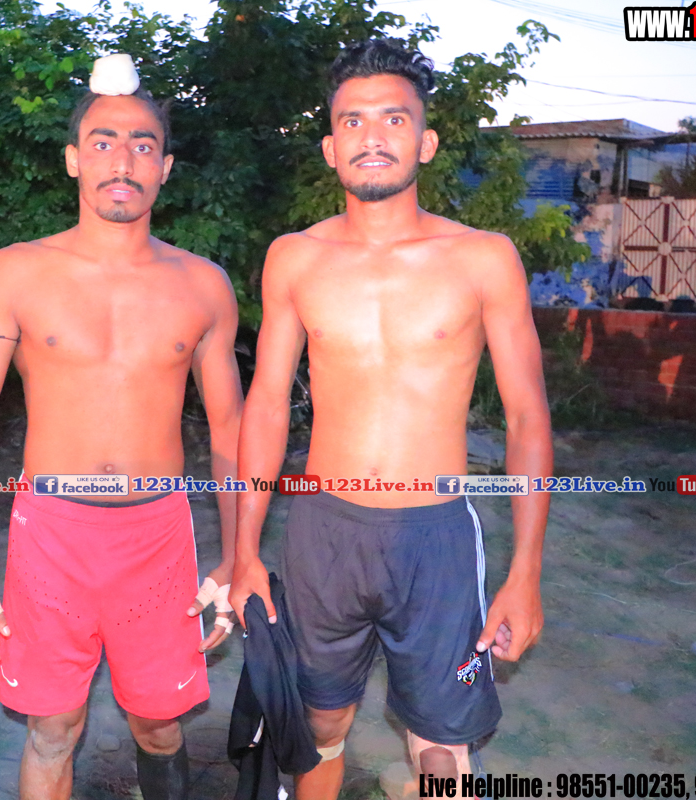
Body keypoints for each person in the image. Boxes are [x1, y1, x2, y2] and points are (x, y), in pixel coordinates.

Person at [230, 39, 553, 799]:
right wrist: (243, 551)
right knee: (318, 726)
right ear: (330, 146)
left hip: (435, 536)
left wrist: (526, 574)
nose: (371, 136)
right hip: (324, 531)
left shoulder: (483, 258)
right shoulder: (294, 258)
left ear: (426, 142)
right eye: (353, 121)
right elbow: (266, 405)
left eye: (393, 119)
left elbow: (527, 417)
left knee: (443, 748)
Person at [0, 54, 243, 800]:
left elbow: (231, 430)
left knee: (160, 727)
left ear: (165, 167)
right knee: (53, 729)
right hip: (51, 535)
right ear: (74, 158)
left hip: (158, 535)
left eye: (142, 145)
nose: (122, 161)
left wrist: (238, 559)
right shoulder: (14, 272)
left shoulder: (203, 285)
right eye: (103, 142)